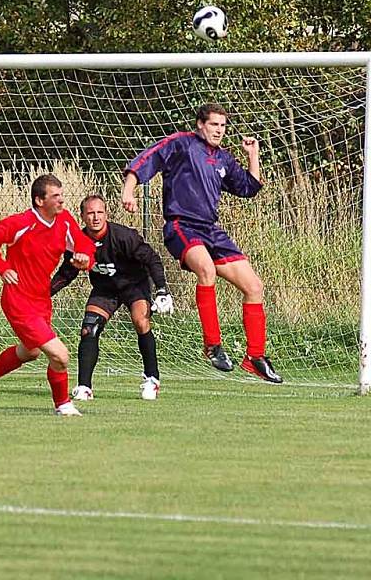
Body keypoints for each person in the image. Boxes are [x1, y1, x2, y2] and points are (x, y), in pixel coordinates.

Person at [121, 103, 282, 383]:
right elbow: (147, 159)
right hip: (181, 225)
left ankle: (255, 357)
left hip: (210, 230)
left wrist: (253, 155)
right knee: (205, 270)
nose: (219, 130)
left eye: (222, 126)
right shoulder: (182, 143)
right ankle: (212, 345)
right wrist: (129, 191)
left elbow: (249, 188)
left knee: (254, 286)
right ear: (200, 125)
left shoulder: (223, 159)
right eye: (214, 125)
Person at [0, 173, 96, 416]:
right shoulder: (21, 223)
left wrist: (84, 258)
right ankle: (63, 405)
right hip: (18, 300)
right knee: (60, 354)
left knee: (31, 352)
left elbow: (84, 244)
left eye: (62, 195)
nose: (61, 201)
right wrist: (3, 268)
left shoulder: (64, 221)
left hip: (41, 300)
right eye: (55, 196)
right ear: (39, 201)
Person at [50, 194, 173, 401]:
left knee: (140, 321)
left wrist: (162, 289)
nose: (95, 217)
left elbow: (152, 259)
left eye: (100, 212)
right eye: (90, 213)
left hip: (134, 285)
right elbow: (66, 273)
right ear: (82, 216)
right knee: (89, 329)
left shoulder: (124, 237)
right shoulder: (77, 242)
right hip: (105, 289)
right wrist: (43, 294)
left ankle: (152, 379)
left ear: (106, 214)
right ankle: (84, 387)